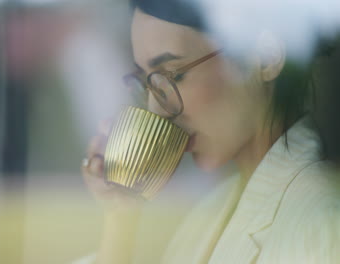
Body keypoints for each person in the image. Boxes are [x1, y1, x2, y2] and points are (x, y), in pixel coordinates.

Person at [77, 0, 340, 263]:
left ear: (266, 56)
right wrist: (120, 217)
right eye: (147, 82)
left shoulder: (322, 226)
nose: (157, 111)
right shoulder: (210, 211)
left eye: (173, 75)